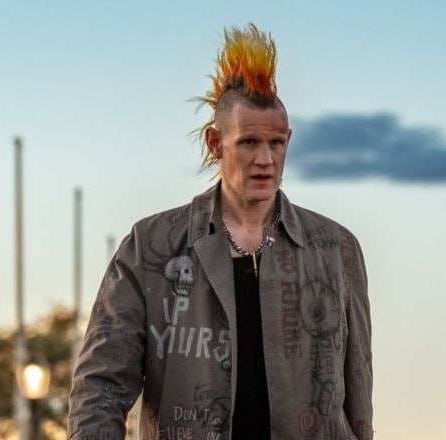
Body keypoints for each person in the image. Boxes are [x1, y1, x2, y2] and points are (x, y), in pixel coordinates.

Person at [68, 24, 373, 440]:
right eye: (248, 143)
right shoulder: (150, 247)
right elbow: (100, 387)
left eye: (276, 143)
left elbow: (358, 391)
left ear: (289, 140)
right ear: (216, 143)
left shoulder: (336, 248)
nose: (265, 159)